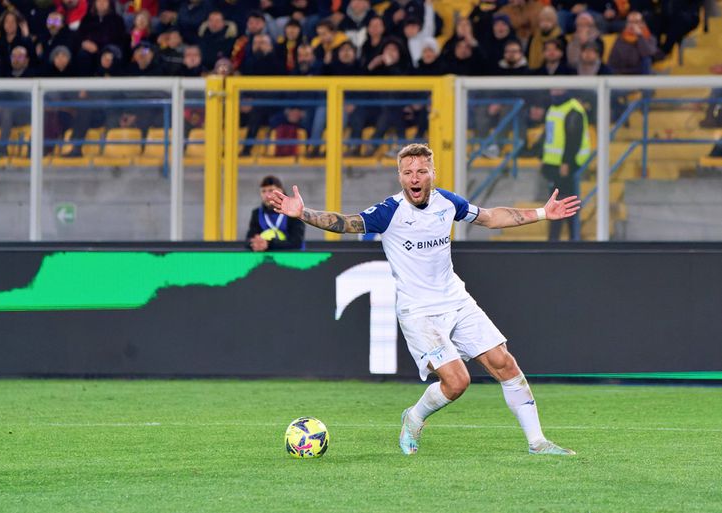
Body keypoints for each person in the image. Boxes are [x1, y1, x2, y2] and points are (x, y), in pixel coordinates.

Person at [269, 143, 579, 456]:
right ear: (400, 177)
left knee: (505, 363)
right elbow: (345, 223)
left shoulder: (448, 202)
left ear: (432, 173)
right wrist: (303, 214)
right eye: (408, 173)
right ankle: (414, 417)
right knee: (457, 382)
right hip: (418, 312)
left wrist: (542, 213)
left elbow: (489, 218)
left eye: (421, 171)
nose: (415, 178)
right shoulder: (389, 211)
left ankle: (537, 443)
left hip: (456, 300)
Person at [540, 90, 591, 241]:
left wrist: (566, 162)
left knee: (564, 202)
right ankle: (559, 239)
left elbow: (574, 139)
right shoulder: (554, 107)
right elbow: (549, 135)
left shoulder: (573, 109)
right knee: (559, 203)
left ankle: (566, 239)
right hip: (553, 164)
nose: (554, 90)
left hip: (568, 165)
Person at [246, 175, 305, 251]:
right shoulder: (256, 213)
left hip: (292, 257)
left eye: (271, 190)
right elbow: (248, 241)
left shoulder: (293, 212)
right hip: (266, 257)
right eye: (263, 191)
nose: (267, 195)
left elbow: (297, 243)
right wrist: (255, 244)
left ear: (281, 191)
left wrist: (268, 244)